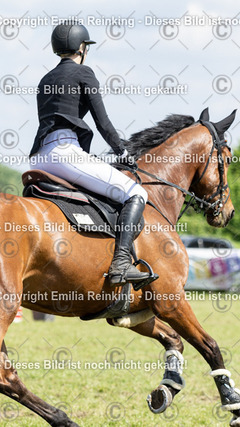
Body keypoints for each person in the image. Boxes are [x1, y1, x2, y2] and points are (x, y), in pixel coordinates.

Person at [29, 21, 151, 286]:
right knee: (136, 193)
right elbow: (103, 123)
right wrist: (123, 152)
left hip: (40, 157)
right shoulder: (84, 72)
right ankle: (121, 263)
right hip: (65, 153)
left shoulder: (45, 79)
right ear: (82, 47)